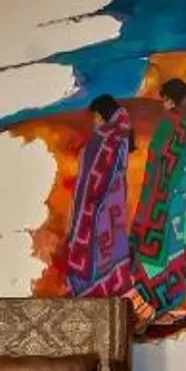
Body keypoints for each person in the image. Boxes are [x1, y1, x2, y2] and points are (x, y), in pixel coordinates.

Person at [128, 78, 186, 323]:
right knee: (182, 250)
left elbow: (158, 160)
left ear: (171, 99)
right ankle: (176, 304)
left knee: (159, 248)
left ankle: (158, 306)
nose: (163, 102)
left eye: (165, 98)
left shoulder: (170, 123)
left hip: (166, 197)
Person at [59, 94, 137, 299]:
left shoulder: (102, 139)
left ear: (102, 116)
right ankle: (117, 293)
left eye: (95, 117)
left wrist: (79, 216)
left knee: (93, 253)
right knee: (113, 251)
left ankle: (90, 294)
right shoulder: (121, 134)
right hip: (115, 207)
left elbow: (88, 183)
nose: (94, 122)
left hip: (97, 208)